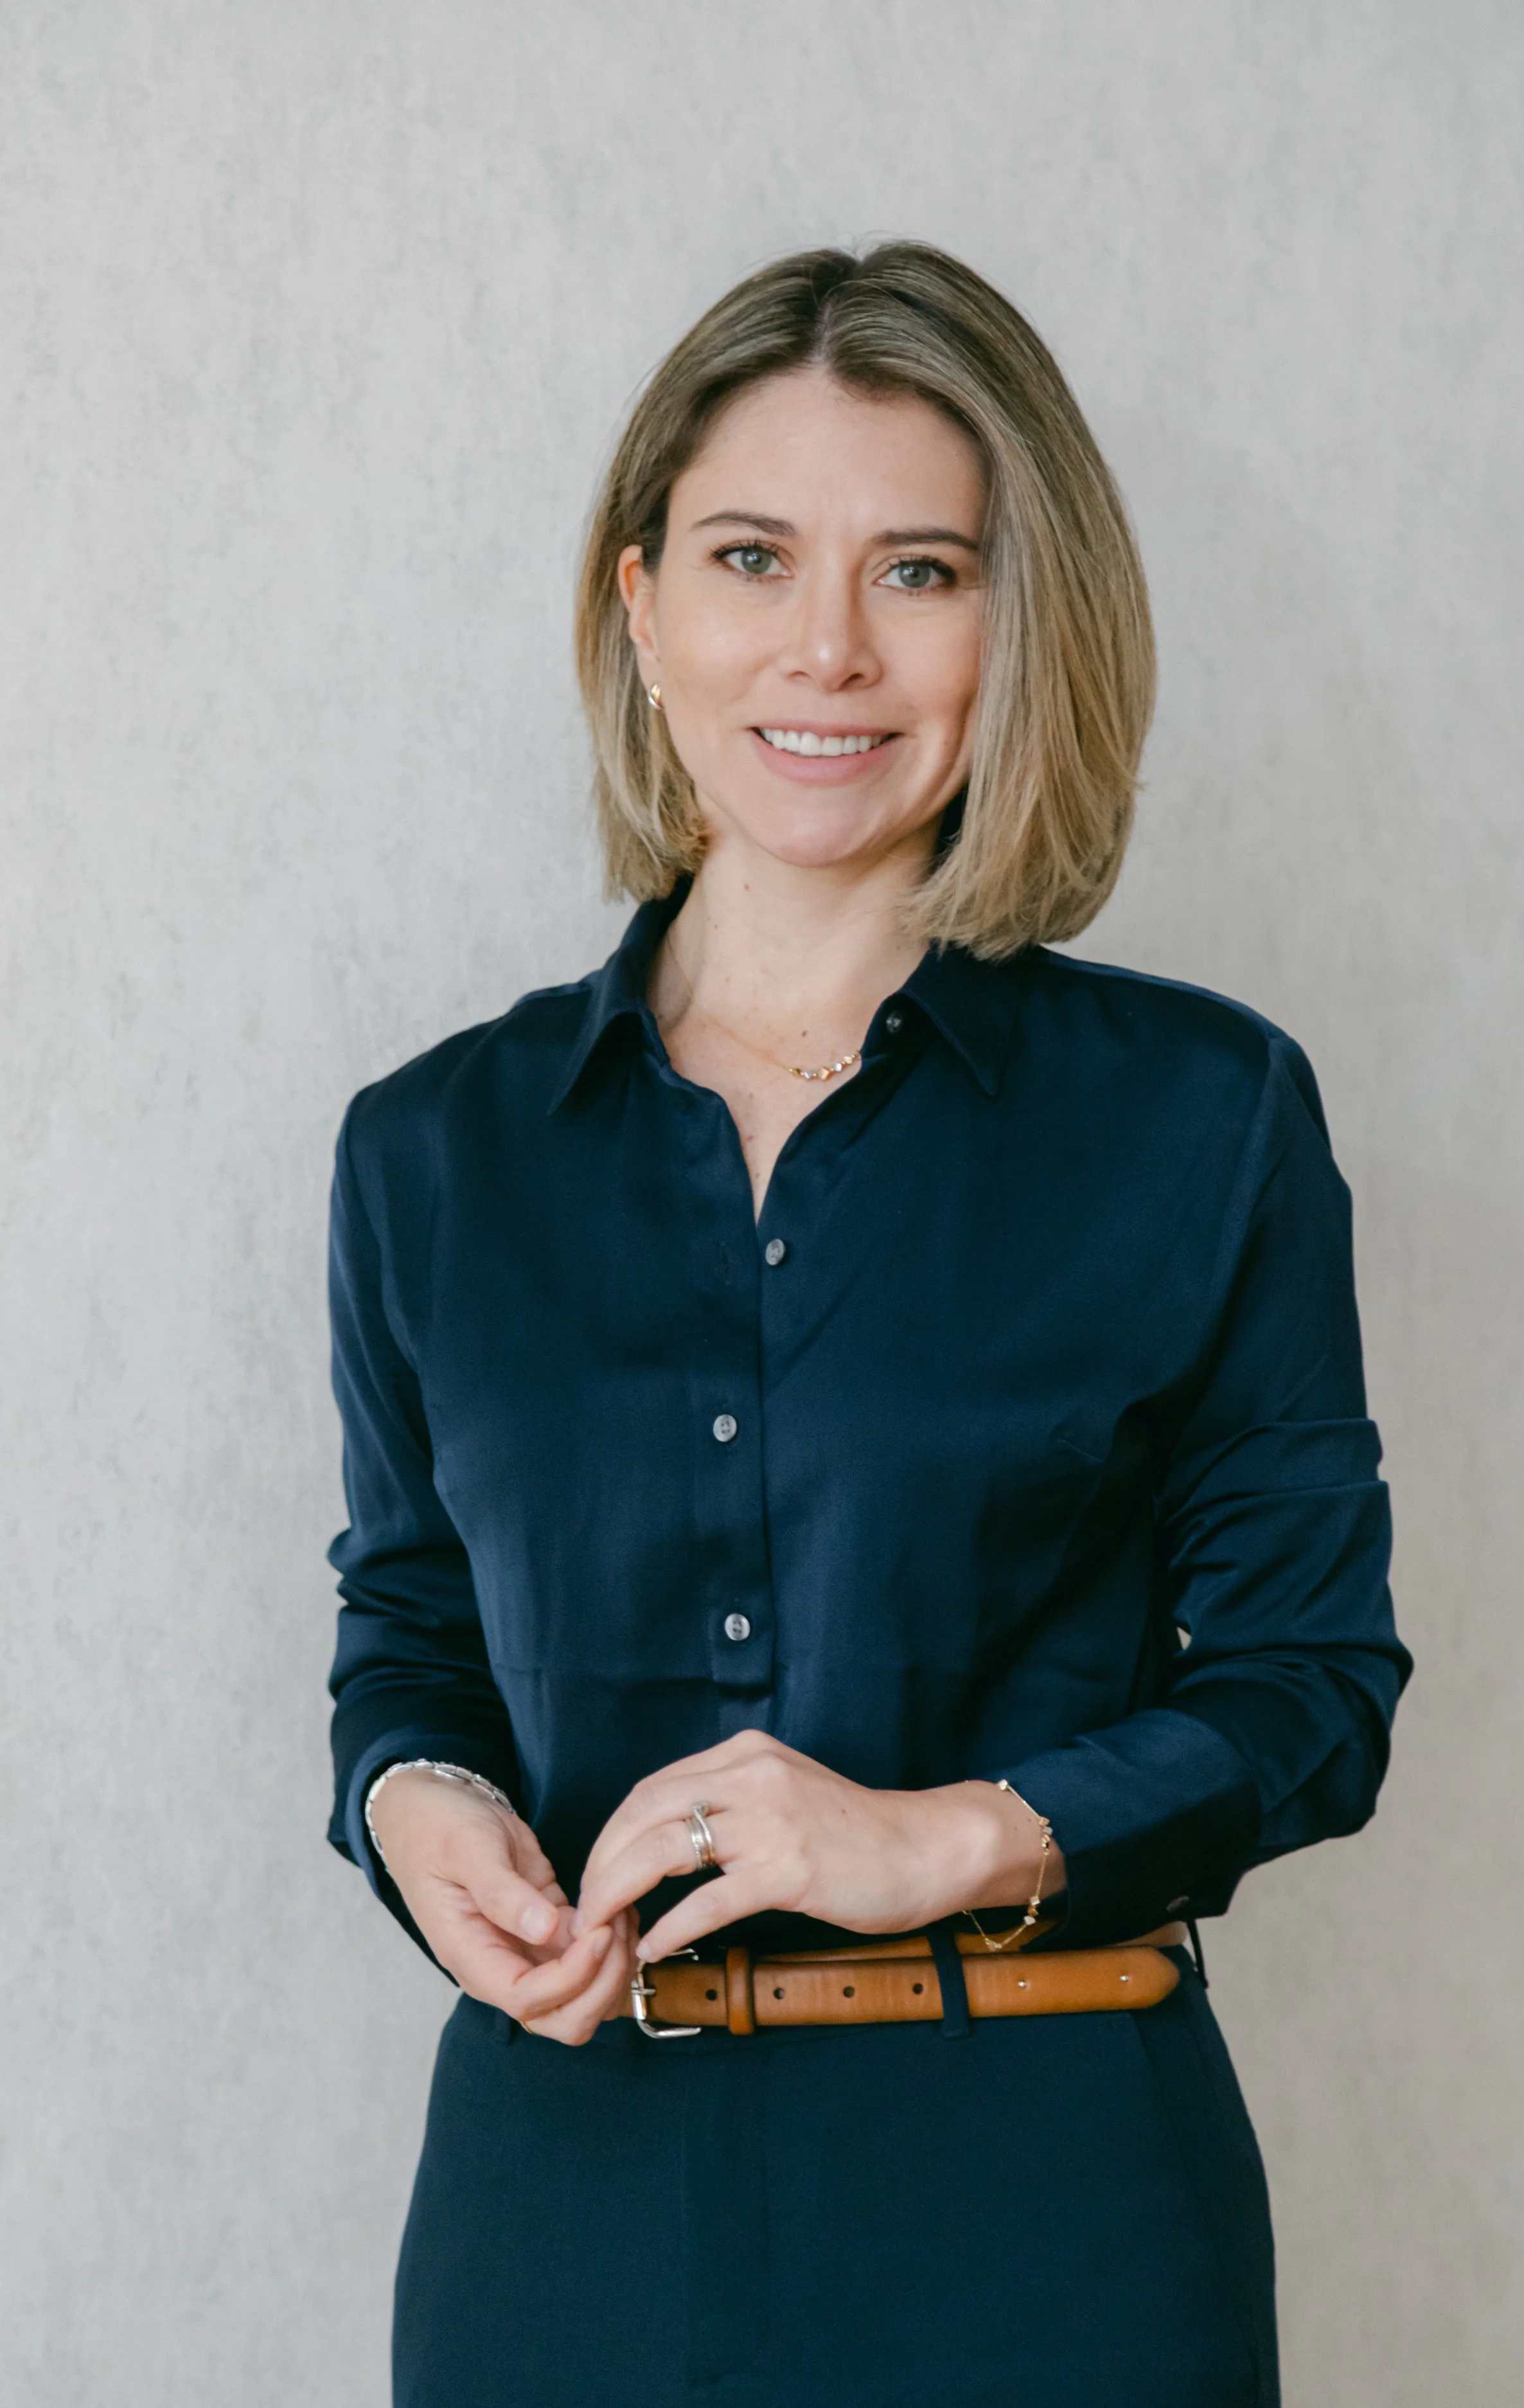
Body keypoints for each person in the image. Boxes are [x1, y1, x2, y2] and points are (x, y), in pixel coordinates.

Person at [325, 241, 1410, 2408]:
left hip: (1054, 2218)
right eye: (753, 556)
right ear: (642, 607)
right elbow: (409, 1628)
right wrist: (415, 1800)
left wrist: (944, 1835)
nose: (827, 645)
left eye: (919, 570)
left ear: (1023, 626)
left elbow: (1312, 1685)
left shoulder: (1203, 1115)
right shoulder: (430, 1151)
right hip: (564, 2221)